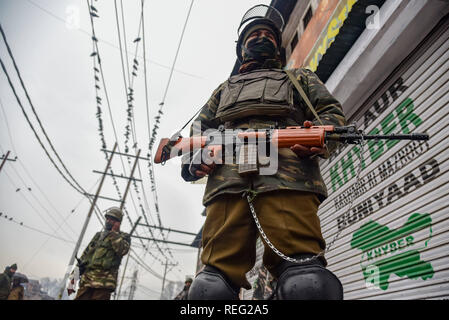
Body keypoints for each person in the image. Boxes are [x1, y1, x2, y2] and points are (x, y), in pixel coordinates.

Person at [182, 5, 346, 300]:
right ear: (241, 48)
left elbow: (331, 113)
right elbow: (199, 130)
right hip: (228, 183)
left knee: (307, 282)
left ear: (278, 45)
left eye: (267, 35)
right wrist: (194, 162)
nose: (261, 38)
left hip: (287, 178)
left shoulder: (299, 79)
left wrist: (320, 137)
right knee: (210, 287)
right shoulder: (224, 89)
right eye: (253, 35)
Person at [72, 207, 131, 300]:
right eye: (107, 218)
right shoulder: (98, 236)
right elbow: (85, 255)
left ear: (117, 222)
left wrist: (114, 233)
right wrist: (74, 276)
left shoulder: (123, 237)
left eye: (111, 219)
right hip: (87, 280)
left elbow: (122, 250)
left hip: (104, 283)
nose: (108, 221)